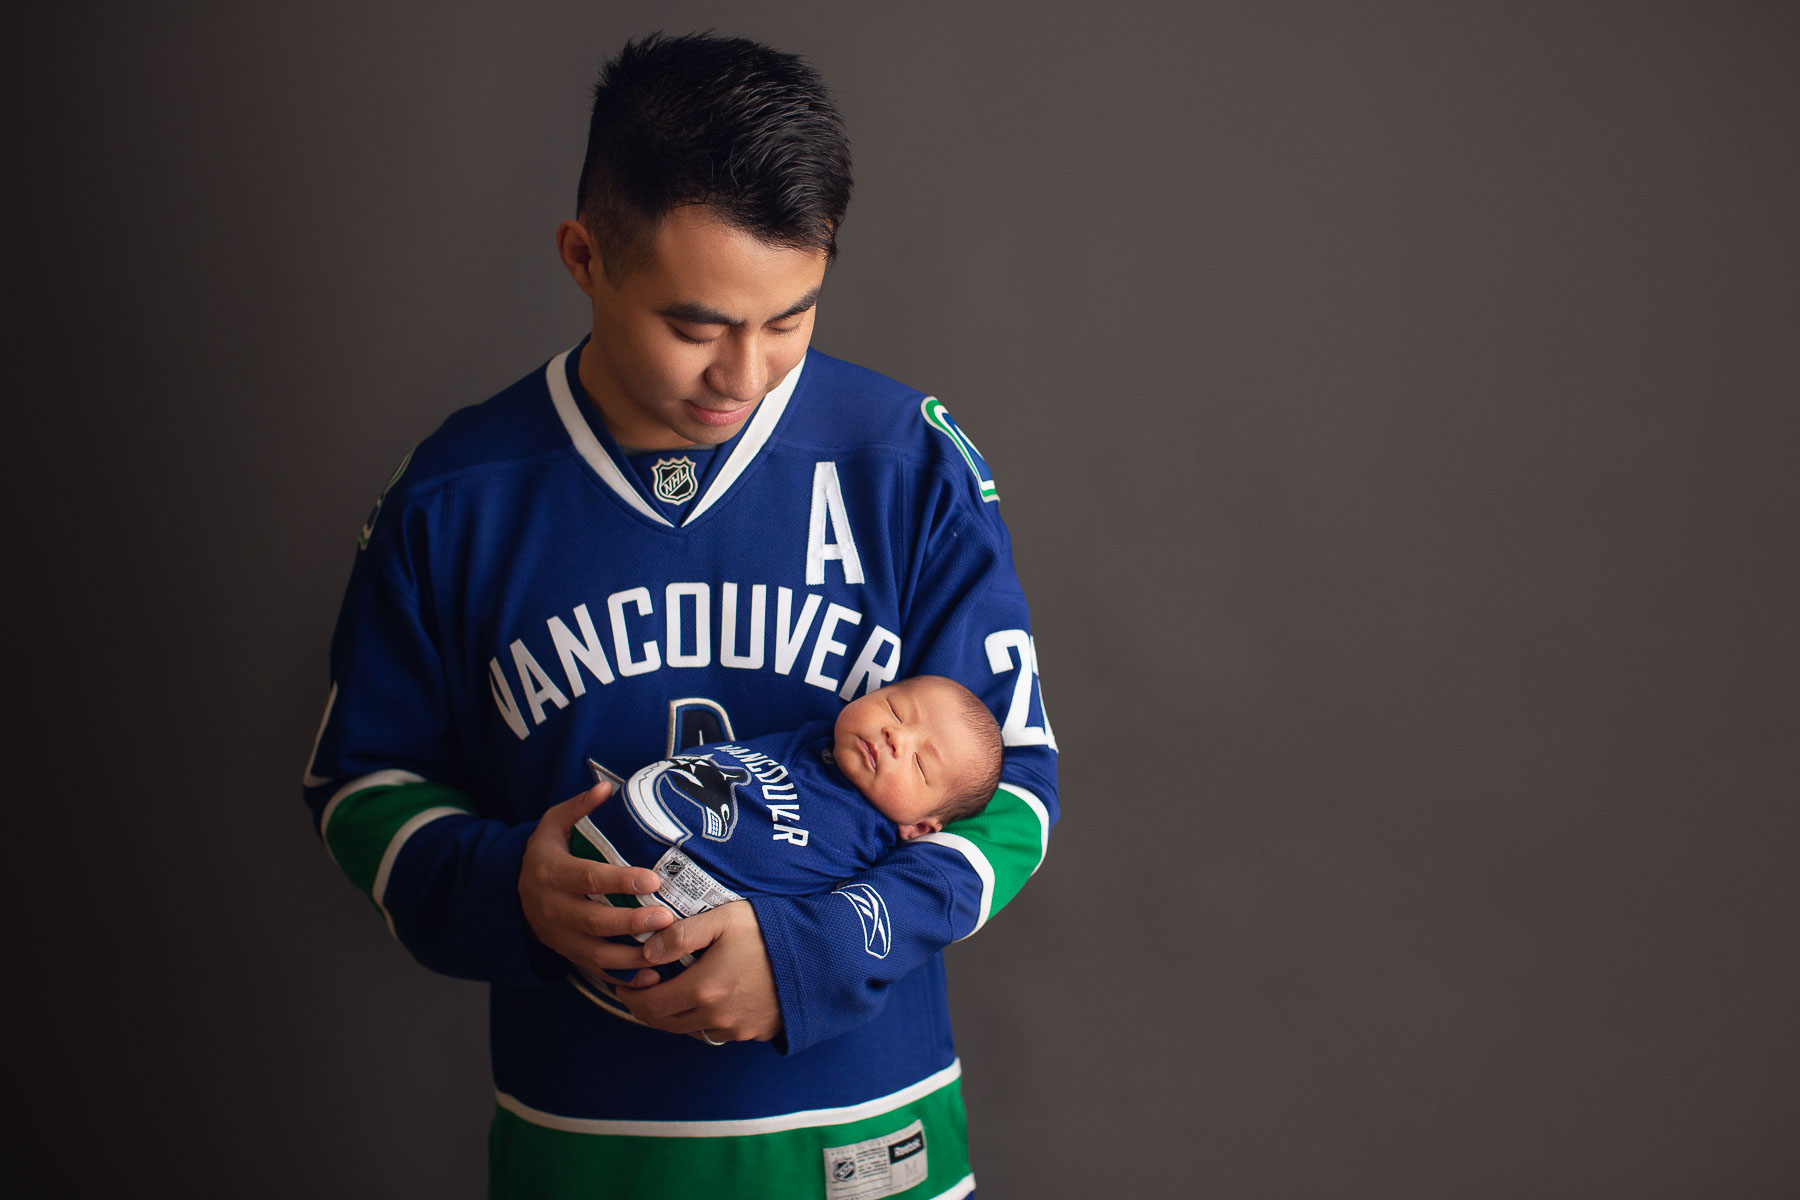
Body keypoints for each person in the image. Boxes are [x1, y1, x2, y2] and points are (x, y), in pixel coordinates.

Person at [303, 32, 1057, 1199]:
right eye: (697, 326)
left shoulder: (904, 461)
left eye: (789, 319)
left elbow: (1014, 794)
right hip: (585, 1144)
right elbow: (365, 786)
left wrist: (818, 948)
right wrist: (511, 885)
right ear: (584, 256)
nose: (745, 375)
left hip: (869, 1138)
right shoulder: (455, 494)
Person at [565, 675, 1005, 1016]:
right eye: (894, 709)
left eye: (920, 764)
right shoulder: (813, 740)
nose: (896, 736)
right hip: (601, 845)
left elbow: (827, 924)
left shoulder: (874, 846)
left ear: (921, 828)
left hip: (673, 918)